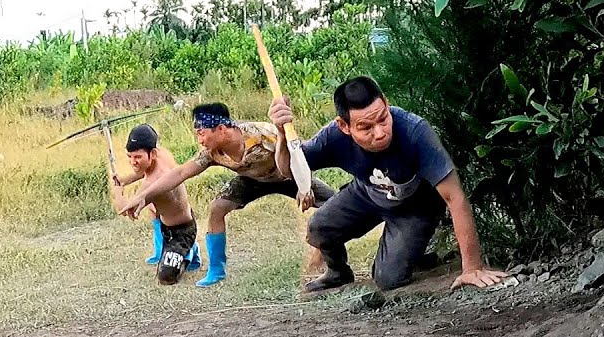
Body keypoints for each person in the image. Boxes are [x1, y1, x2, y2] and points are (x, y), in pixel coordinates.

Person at [269, 75, 510, 292]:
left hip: (414, 207)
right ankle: (337, 273)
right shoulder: (332, 136)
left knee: (387, 280)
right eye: (365, 127)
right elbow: (288, 170)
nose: (380, 132)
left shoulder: (415, 131)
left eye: (383, 119)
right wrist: (281, 133)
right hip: (367, 194)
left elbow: (455, 197)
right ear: (344, 126)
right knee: (319, 226)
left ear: (385, 103)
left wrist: (472, 268)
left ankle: (416, 249)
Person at [118, 102, 335, 287]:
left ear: (221, 129)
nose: (200, 140)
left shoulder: (261, 134)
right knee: (217, 208)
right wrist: (143, 197)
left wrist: (304, 187)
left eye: (202, 134)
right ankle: (216, 270)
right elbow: (181, 172)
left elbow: (298, 155)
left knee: (334, 205)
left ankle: (321, 258)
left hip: (288, 175)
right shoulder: (211, 152)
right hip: (251, 180)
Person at [112, 124, 201, 285]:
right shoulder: (162, 154)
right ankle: (167, 251)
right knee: (153, 207)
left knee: (166, 278)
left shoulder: (152, 183)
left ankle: (189, 250)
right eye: (129, 156)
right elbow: (143, 171)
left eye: (138, 157)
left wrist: (117, 187)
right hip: (169, 222)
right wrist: (126, 179)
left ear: (152, 153)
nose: (133, 162)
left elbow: (123, 209)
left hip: (182, 231)